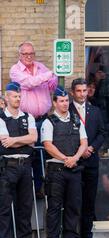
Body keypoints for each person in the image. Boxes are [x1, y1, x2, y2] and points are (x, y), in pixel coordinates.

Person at [41, 86, 88, 238]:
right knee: (54, 207)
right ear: (54, 103)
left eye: (67, 100)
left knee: (73, 206)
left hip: (74, 169)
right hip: (56, 170)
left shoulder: (76, 120)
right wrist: (65, 159)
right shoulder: (49, 121)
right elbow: (48, 145)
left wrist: (74, 158)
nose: (65, 103)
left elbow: (84, 143)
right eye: (61, 101)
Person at [10, 41, 58, 199]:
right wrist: (47, 76)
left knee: (45, 154)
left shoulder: (40, 67)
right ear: (20, 55)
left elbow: (52, 84)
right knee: (30, 154)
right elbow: (29, 83)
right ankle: (28, 190)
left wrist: (52, 79)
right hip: (26, 120)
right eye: (25, 54)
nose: (29, 56)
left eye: (31, 53)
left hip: (44, 119)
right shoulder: (15, 70)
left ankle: (42, 188)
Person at [0, 82, 39, 238]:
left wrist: (15, 140)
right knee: (4, 207)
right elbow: (4, 142)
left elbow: (33, 138)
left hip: (25, 166)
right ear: (7, 97)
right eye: (15, 96)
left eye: (19, 96)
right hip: (8, 167)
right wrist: (24, 140)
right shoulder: (1, 117)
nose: (17, 99)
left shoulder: (28, 116)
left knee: (25, 206)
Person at [69, 78, 106, 238]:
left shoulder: (95, 111)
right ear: (73, 92)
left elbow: (102, 133)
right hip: (74, 162)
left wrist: (91, 148)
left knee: (89, 199)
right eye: (79, 91)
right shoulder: (67, 110)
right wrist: (79, 150)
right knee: (74, 200)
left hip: (91, 160)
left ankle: (86, 235)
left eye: (85, 90)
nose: (82, 94)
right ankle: (72, 236)